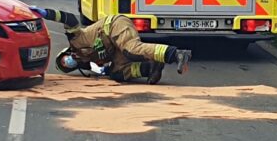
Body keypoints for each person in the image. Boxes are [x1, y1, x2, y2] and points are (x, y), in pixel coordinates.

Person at [30, 8, 191, 85]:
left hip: (113, 26)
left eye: (64, 60)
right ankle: (150, 67)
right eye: (67, 67)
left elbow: (69, 18)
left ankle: (175, 54)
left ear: (66, 52)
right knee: (116, 73)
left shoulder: (75, 40)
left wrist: (46, 13)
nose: (69, 62)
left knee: (131, 49)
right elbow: (107, 67)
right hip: (115, 48)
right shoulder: (90, 65)